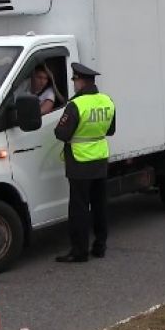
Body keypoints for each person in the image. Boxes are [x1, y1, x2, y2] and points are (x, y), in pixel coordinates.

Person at [53, 62, 116, 263]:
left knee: (79, 208)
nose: (74, 84)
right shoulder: (107, 101)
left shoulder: (76, 105)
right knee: (100, 205)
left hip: (79, 161)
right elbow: (110, 130)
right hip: (100, 159)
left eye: (75, 80)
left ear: (81, 81)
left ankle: (79, 251)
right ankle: (100, 247)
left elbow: (61, 133)